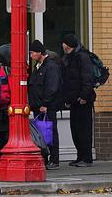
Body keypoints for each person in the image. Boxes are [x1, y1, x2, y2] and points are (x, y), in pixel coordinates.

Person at [62, 33, 96, 167]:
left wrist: (84, 96)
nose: (63, 46)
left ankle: (87, 158)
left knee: (84, 130)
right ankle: (80, 156)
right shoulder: (69, 58)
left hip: (83, 100)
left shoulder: (82, 57)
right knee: (75, 130)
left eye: (65, 44)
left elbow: (87, 78)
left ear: (69, 45)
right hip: (74, 100)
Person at [28, 39, 63, 169]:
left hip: (47, 107)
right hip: (38, 106)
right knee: (42, 133)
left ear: (39, 52)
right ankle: (45, 158)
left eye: (32, 52)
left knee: (50, 132)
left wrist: (45, 103)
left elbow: (52, 87)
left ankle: (54, 159)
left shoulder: (51, 66)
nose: (31, 55)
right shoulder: (39, 66)